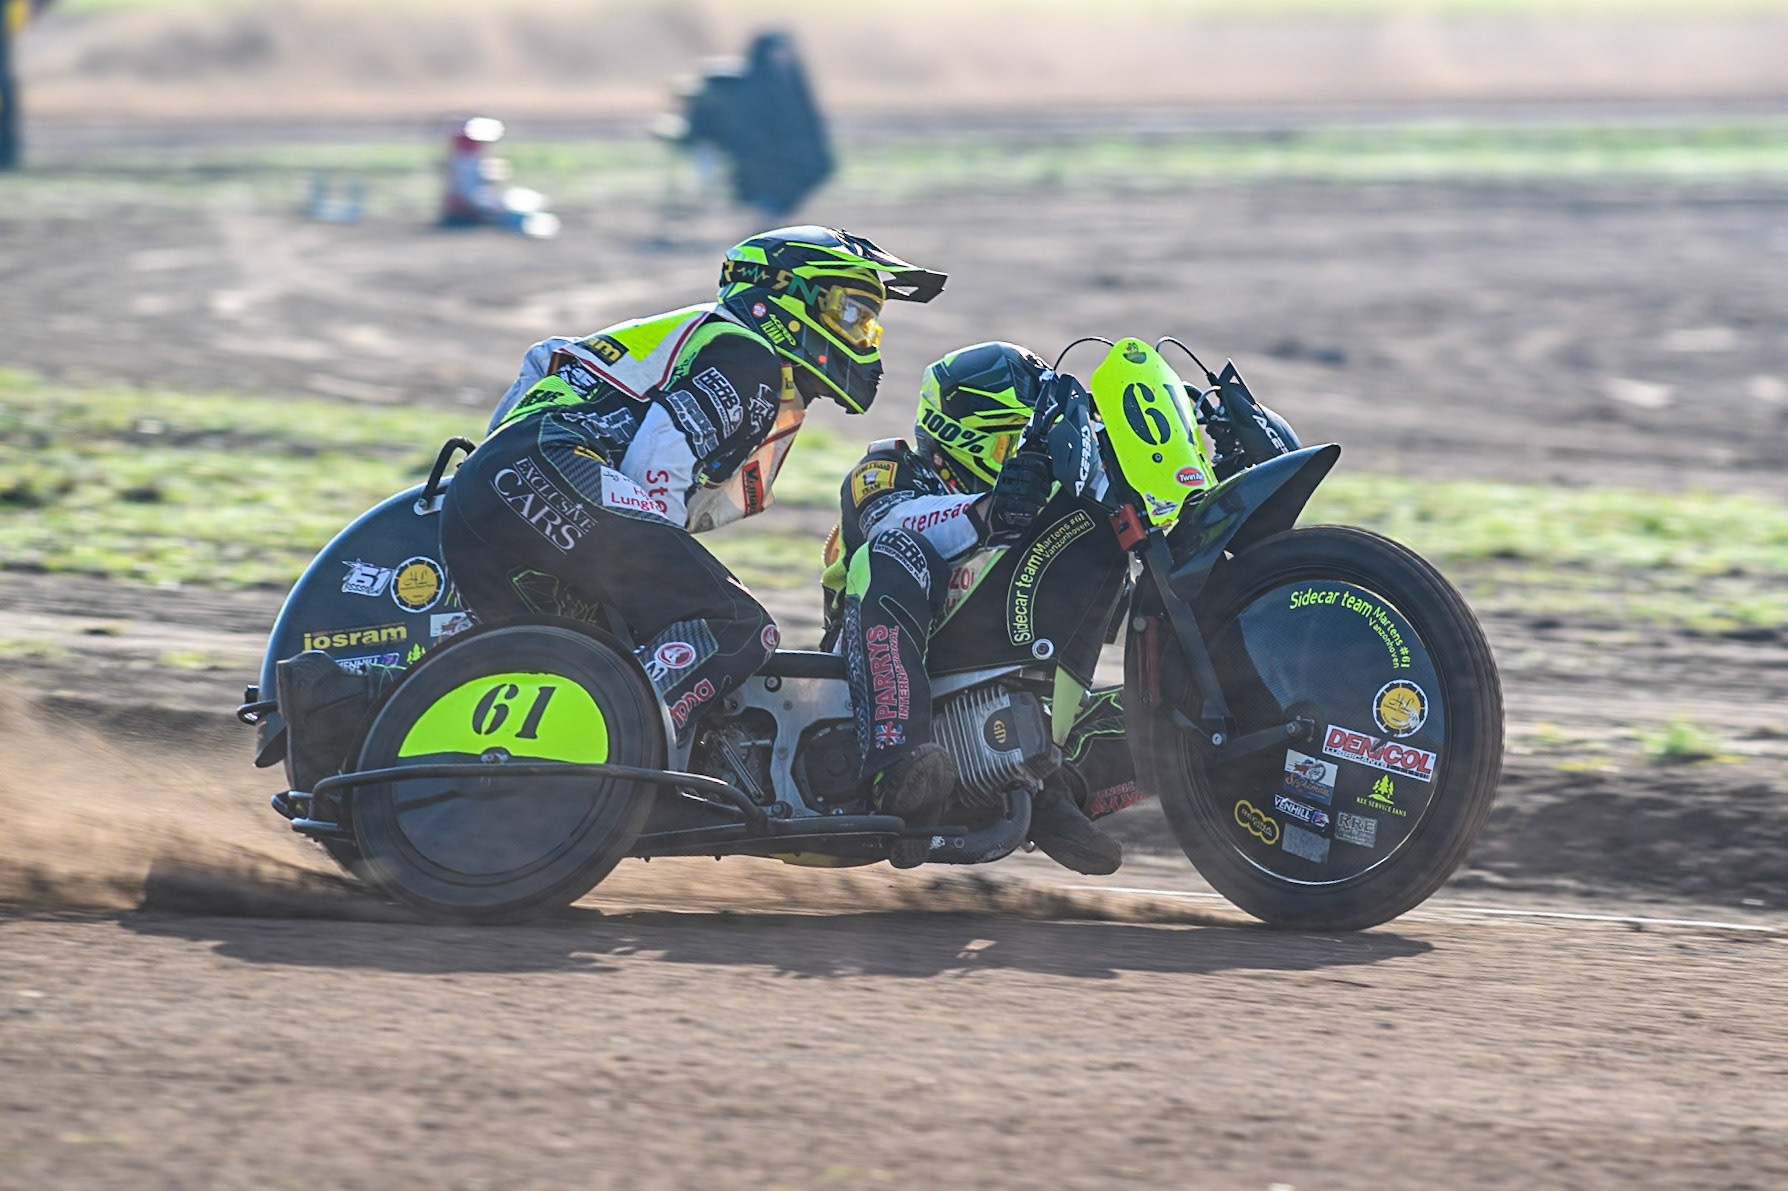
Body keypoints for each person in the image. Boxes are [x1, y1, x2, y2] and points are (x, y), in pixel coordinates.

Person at [277, 226, 945, 791]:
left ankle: (343, 702)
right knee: (735, 625)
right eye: (854, 313)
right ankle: (628, 764)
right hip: (554, 471)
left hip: (505, 486)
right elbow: (665, 452)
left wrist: (502, 480)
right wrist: (639, 552)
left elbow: (543, 361)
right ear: (787, 297)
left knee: (564, 666)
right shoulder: (749, 356)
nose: (867, 334)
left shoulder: (692, 338)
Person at [825, 342, 1141, 874]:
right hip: (857, 681)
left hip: (987, 691)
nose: (1027, 462)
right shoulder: (886, 469)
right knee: (895, 551)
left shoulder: (1033, 516)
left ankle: (1047, 787)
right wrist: (986, 511)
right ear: (960, 436)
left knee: (1161, 711)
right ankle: (894, 763)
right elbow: (888, 523)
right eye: (1011, 445)